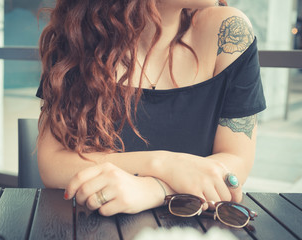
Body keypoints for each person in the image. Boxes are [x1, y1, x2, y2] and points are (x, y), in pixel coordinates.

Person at [36, 0, 266, 217]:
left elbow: (237, 159)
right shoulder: (80, 34)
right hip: (95, 224)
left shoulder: (229, 32)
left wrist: (155, 189)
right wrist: (163, 164)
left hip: (196, 226)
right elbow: (53, 164)